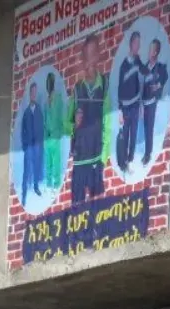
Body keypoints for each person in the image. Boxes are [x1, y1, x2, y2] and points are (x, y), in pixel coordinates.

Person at [68, 39, 111, 206]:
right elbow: (66, 124)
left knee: (96, 209)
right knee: (76, 210)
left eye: (92, 55)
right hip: (79, 160)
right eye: (86, 57)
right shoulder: (77, 90)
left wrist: (103, 158)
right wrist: (74, 124)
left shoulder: (105, 86)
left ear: (98, 57)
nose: (89, 62)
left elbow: (108, 123)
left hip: (96, 157)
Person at [116, 31, 144, 171]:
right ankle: (123, 162)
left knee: (134, 134)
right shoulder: (124, 66)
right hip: (126, 107)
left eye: (139, 43)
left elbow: (143, 73)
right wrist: (120, 110)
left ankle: (130, 160)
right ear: (131, 44)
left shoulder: (138, 61)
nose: (137, 46)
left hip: (135, 105)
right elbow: (120, 89)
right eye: (136, 43)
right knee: (125, 135)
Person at [141, 38, 169, 167]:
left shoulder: (160, 67)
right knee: (143, 128)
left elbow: (165, 77)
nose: (150, 52)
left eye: (152, 49)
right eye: (149, 49)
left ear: (156, 52)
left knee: (149, 128)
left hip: (153, 102)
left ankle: (148, 154)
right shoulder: (144, 68)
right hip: (143, 102)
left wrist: (158, 86)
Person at [20, 81, 45, 199]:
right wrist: (24, 145)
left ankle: (35, 187)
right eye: (32, 92)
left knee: (36, 166)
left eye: (35, 92)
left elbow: (42, 126)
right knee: (26, 169)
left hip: (37, 145)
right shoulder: (26, 112)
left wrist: (41, 141)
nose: (34, 95)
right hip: (29, 145)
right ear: (30, 94)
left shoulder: (39, 110)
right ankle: (24, 192)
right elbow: (22, 130)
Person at [44, 72, 66, 192]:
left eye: (50, 82)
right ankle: (48, 184)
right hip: (47, 138)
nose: (49, 85)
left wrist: (61, 131)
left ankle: (56, 185)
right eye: (47, 83)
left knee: (56, 162)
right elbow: (44, 119)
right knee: (48, 162)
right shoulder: (46, 102)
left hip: (56, 135)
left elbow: (61, 115)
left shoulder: (58, 98)